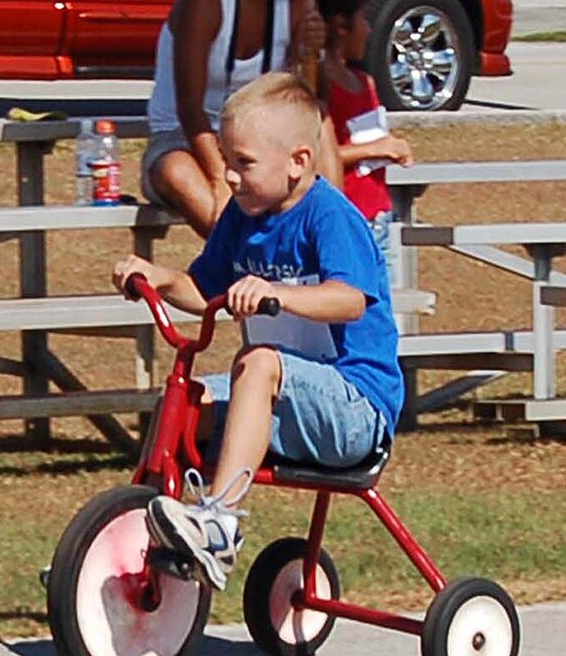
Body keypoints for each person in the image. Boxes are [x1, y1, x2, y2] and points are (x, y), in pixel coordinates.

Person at [114, 73, 402, 591]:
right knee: (182, 403)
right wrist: (161, 278)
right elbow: (203, 291)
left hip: (355, 409)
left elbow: (351, 300)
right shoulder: (241, 219)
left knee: (257, 361)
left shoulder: (330, 216)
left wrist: (279, 293)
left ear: (298, 163)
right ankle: (135, 538)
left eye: (243, 163)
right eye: (226, 160)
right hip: (283, 397)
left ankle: (219, 523)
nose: (228, 176)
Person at [142, 0, 342, 239]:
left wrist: (312, 54)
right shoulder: (204, 7)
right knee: (176, 171)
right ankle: (248, 256)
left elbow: (309, 96)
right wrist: (221, 178)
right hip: (184, 139)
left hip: (255, 137)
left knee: (319, 117)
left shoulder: (295, 7)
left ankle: (333, 231)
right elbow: (189, 108)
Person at [318, 0, 413, 279]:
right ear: (340, 27)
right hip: (347, 219)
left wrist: (389, 147)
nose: (369, 30)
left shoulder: (364, 82)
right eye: (363, 20)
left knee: (383, 310)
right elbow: (319, 154)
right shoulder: (318, 83)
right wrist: (375, 148)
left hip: (378, 216)